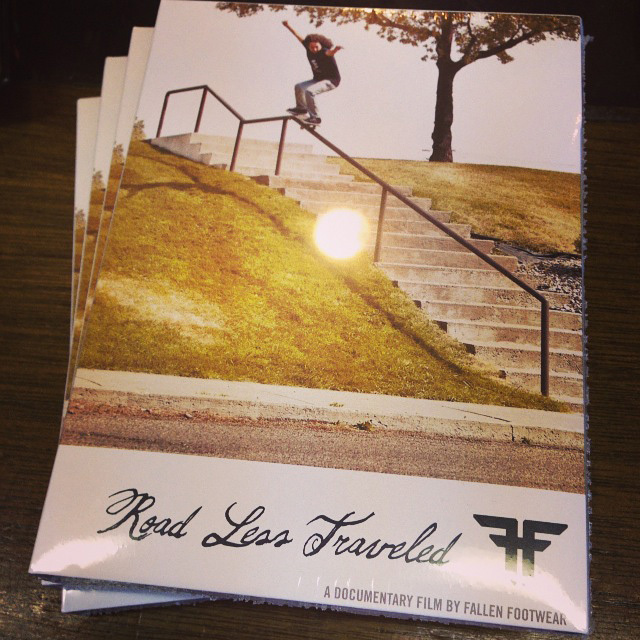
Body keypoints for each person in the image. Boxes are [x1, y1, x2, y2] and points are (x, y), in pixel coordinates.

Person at [282, 20, 343, 125]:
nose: (314, 49)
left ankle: (315, 118)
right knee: (299, 87)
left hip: (332, 81)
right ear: (308, 46)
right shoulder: (307, 47)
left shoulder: (324, 52)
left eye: (316, 47)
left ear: (321, 45)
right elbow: (297, 35)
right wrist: (288, 26)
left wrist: (335, 50)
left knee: (309, 91)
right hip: (318, 79)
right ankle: (301, 108)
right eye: (312, 47)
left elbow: (330, 53)